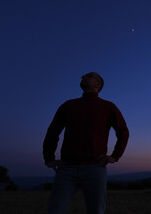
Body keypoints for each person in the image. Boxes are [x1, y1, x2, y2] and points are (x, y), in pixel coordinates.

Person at [43, 72, 129, 214]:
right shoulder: (69, 105)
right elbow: (53, 131)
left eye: (88, 76)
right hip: (67, 168)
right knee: (55, 209)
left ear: (98, 84)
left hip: (95, 168)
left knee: (96, 211)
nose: (82, 77)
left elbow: (123, 131)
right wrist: (49, 158)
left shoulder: (108, 107)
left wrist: (115, 156)